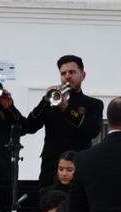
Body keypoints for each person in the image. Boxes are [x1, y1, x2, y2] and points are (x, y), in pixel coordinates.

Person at [20, 54, 105, 186]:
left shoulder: (93, 104)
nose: (67, 76)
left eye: (72, 72)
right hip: (51, 168)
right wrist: (45, 101)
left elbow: (92, 130)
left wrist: (66, 108)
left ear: (83, 75)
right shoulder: (50, 102)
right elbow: (30, 126)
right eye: (63, 73)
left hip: (77, 167)